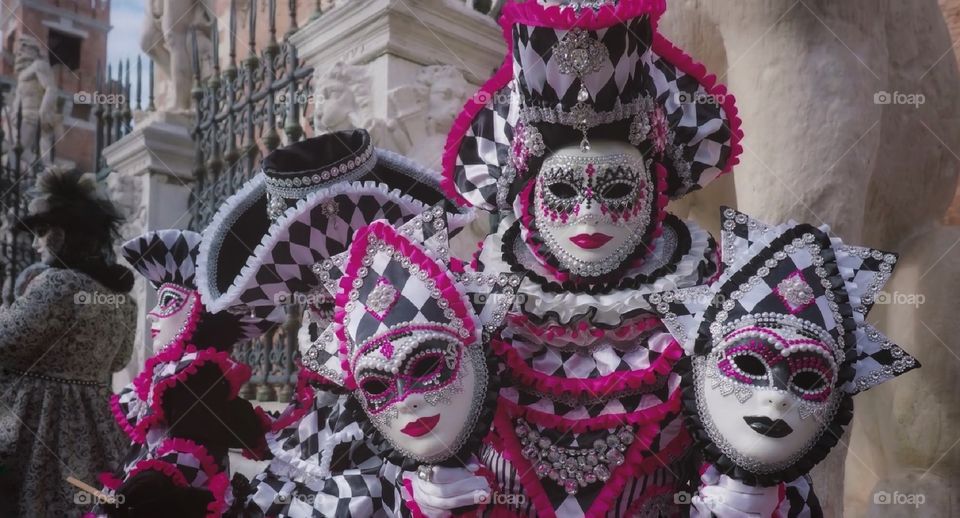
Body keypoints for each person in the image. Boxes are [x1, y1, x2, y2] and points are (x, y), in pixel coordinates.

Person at [89, 229, 273, 518]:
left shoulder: (196, 372)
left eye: (168, 301)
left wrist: (150, 486)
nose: (152, 314)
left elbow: (204, 433)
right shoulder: (169, 374)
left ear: (200, 312)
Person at [0, 167, 136, 517]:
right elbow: (119, 360)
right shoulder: (123, 300)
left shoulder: (56, 285)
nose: (35, 243)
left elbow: (6, 341)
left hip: (37, 423)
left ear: (61, 235)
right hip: (96, 428)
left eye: (41, 232)